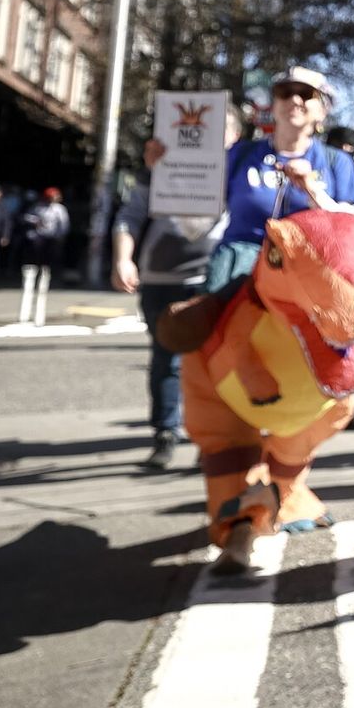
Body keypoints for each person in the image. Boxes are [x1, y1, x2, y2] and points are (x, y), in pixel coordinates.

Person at [113, 136, 231, 472]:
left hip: (212, 280)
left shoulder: (239, 171)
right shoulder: (159, 170)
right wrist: (123, 259)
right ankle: (165, 434)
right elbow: (130, 215)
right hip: (160, 281)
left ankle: (210, 439)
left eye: (220, 128)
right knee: (166, 361)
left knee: (215, 364)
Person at [209, 68, 354, 296]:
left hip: (305, 281)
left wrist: (311, 190)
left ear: (322, 110)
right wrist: (166, 165)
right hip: (237, 278)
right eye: (285, 92)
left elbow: (347, 227)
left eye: (306, 94)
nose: (294, 99)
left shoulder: (337, 162)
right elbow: (199, 213)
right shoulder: (239, 154)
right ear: (274, 104)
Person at [17, 187, 71, 290]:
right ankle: (37, 274)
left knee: (53, 257)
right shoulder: (38, 207)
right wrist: (35, 221)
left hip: (53, 237)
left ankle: (50, 276)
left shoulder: (59, 209)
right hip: (40, 236)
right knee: (37, 256)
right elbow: (26, 217)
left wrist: (61, 236)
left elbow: (64, 224)